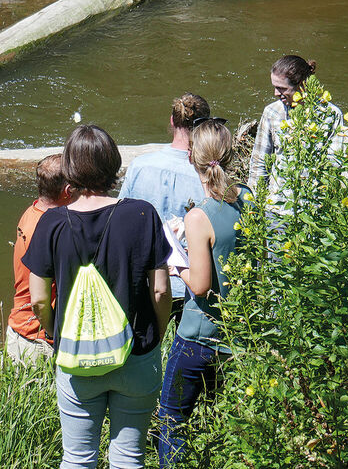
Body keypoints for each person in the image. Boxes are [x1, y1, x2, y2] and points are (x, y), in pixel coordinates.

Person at [26, 125, 172, 469]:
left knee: (77, 459)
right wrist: (158, 335)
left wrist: (54, 334)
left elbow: (38, 301)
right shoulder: (142, 214)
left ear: (70, 169)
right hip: (136, 353)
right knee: (129, 458)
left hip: (76, 356)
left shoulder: (50, 222)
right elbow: (161, 290)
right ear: (114, 163)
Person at [157, 118, 250, 467]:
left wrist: (173, 260)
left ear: (192, 159)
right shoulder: (248, 199)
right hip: (239, 333)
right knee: (223, 418)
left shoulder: (199, 215)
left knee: (172, 418)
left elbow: (199, 285)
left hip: (199, 336)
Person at [119, 92, 210, 304]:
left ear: (171, 121)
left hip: (146, 280)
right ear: (204, 127)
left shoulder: (139, 165)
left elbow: (122, 219)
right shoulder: (206, 174)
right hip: (188, 283)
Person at [6, 154, 69, 364]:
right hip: (36, 340)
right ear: (67, 191)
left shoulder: (31, 212)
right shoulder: (50, 229)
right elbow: (39, 300)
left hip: (17, 330)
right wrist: (52, 334)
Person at [248, 55, 343, 194]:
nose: (275, 93)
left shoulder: (331, 115)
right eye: (274, 87)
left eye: (281, 88)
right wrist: (254, 201)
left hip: (314, 204)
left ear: (302, 85)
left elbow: (334, 164)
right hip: (277, 205)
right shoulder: (272, 112)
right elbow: (259, 162)